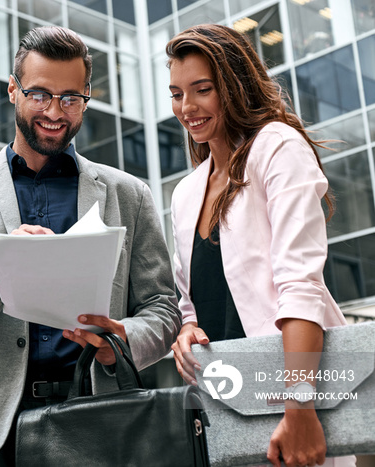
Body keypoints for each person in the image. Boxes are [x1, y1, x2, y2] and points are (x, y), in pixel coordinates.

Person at [0, 26, 181, 466]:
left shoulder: (129, 194)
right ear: (13, 90)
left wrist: (123, 341)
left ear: (87, 98)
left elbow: (164, 308)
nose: (55, 111)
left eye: (71, 98)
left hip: (97, 420)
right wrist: (2, 273)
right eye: (39, 94)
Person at [167, 24, 355, 467]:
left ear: (233, 86)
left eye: (202, 89)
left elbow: (300, 286)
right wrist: (187, 331)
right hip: (228, 404)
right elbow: (193, 306)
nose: (187, 107)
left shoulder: (277, 147)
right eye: (176, 93)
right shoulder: (186, 192)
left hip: (292, 397)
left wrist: (300, 407)